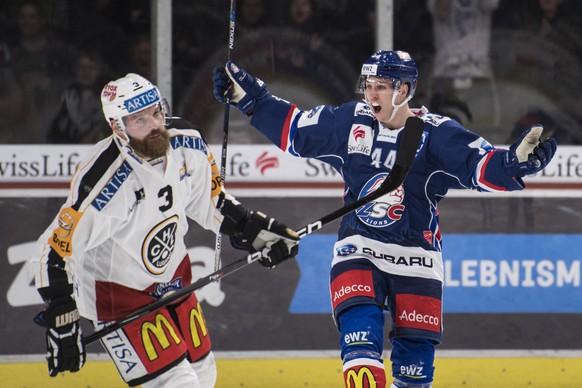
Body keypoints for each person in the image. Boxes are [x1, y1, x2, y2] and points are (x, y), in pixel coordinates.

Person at [212, 51, 557, 387]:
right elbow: (296, 130)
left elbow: (480, 166)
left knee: (414, 375)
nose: (371, 93)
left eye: (380, 86)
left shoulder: (437, 134)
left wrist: (513, 163)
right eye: (368, 85)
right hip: (359, 251)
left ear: (403, 91)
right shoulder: (351, 123)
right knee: (361, 354)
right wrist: (251, 100)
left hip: (418, 260)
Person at [32, 73, 299, 387]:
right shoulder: (102, 181)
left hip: (175, 281)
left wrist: (254, 228)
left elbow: (211, 199)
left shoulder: (186, 140)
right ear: (117, 127)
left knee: (204, 375)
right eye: (140, 120)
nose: (156, 125)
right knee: (177, 384)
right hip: (118, 296)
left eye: (157, 112)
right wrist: (63, 314)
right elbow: (53, 251)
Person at [47, 51, 110, 144]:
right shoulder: (62, 97)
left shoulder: (109, 99)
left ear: (99, 71)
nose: (86, 72)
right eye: (82, 67)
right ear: (75, 70)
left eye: (91, 68)